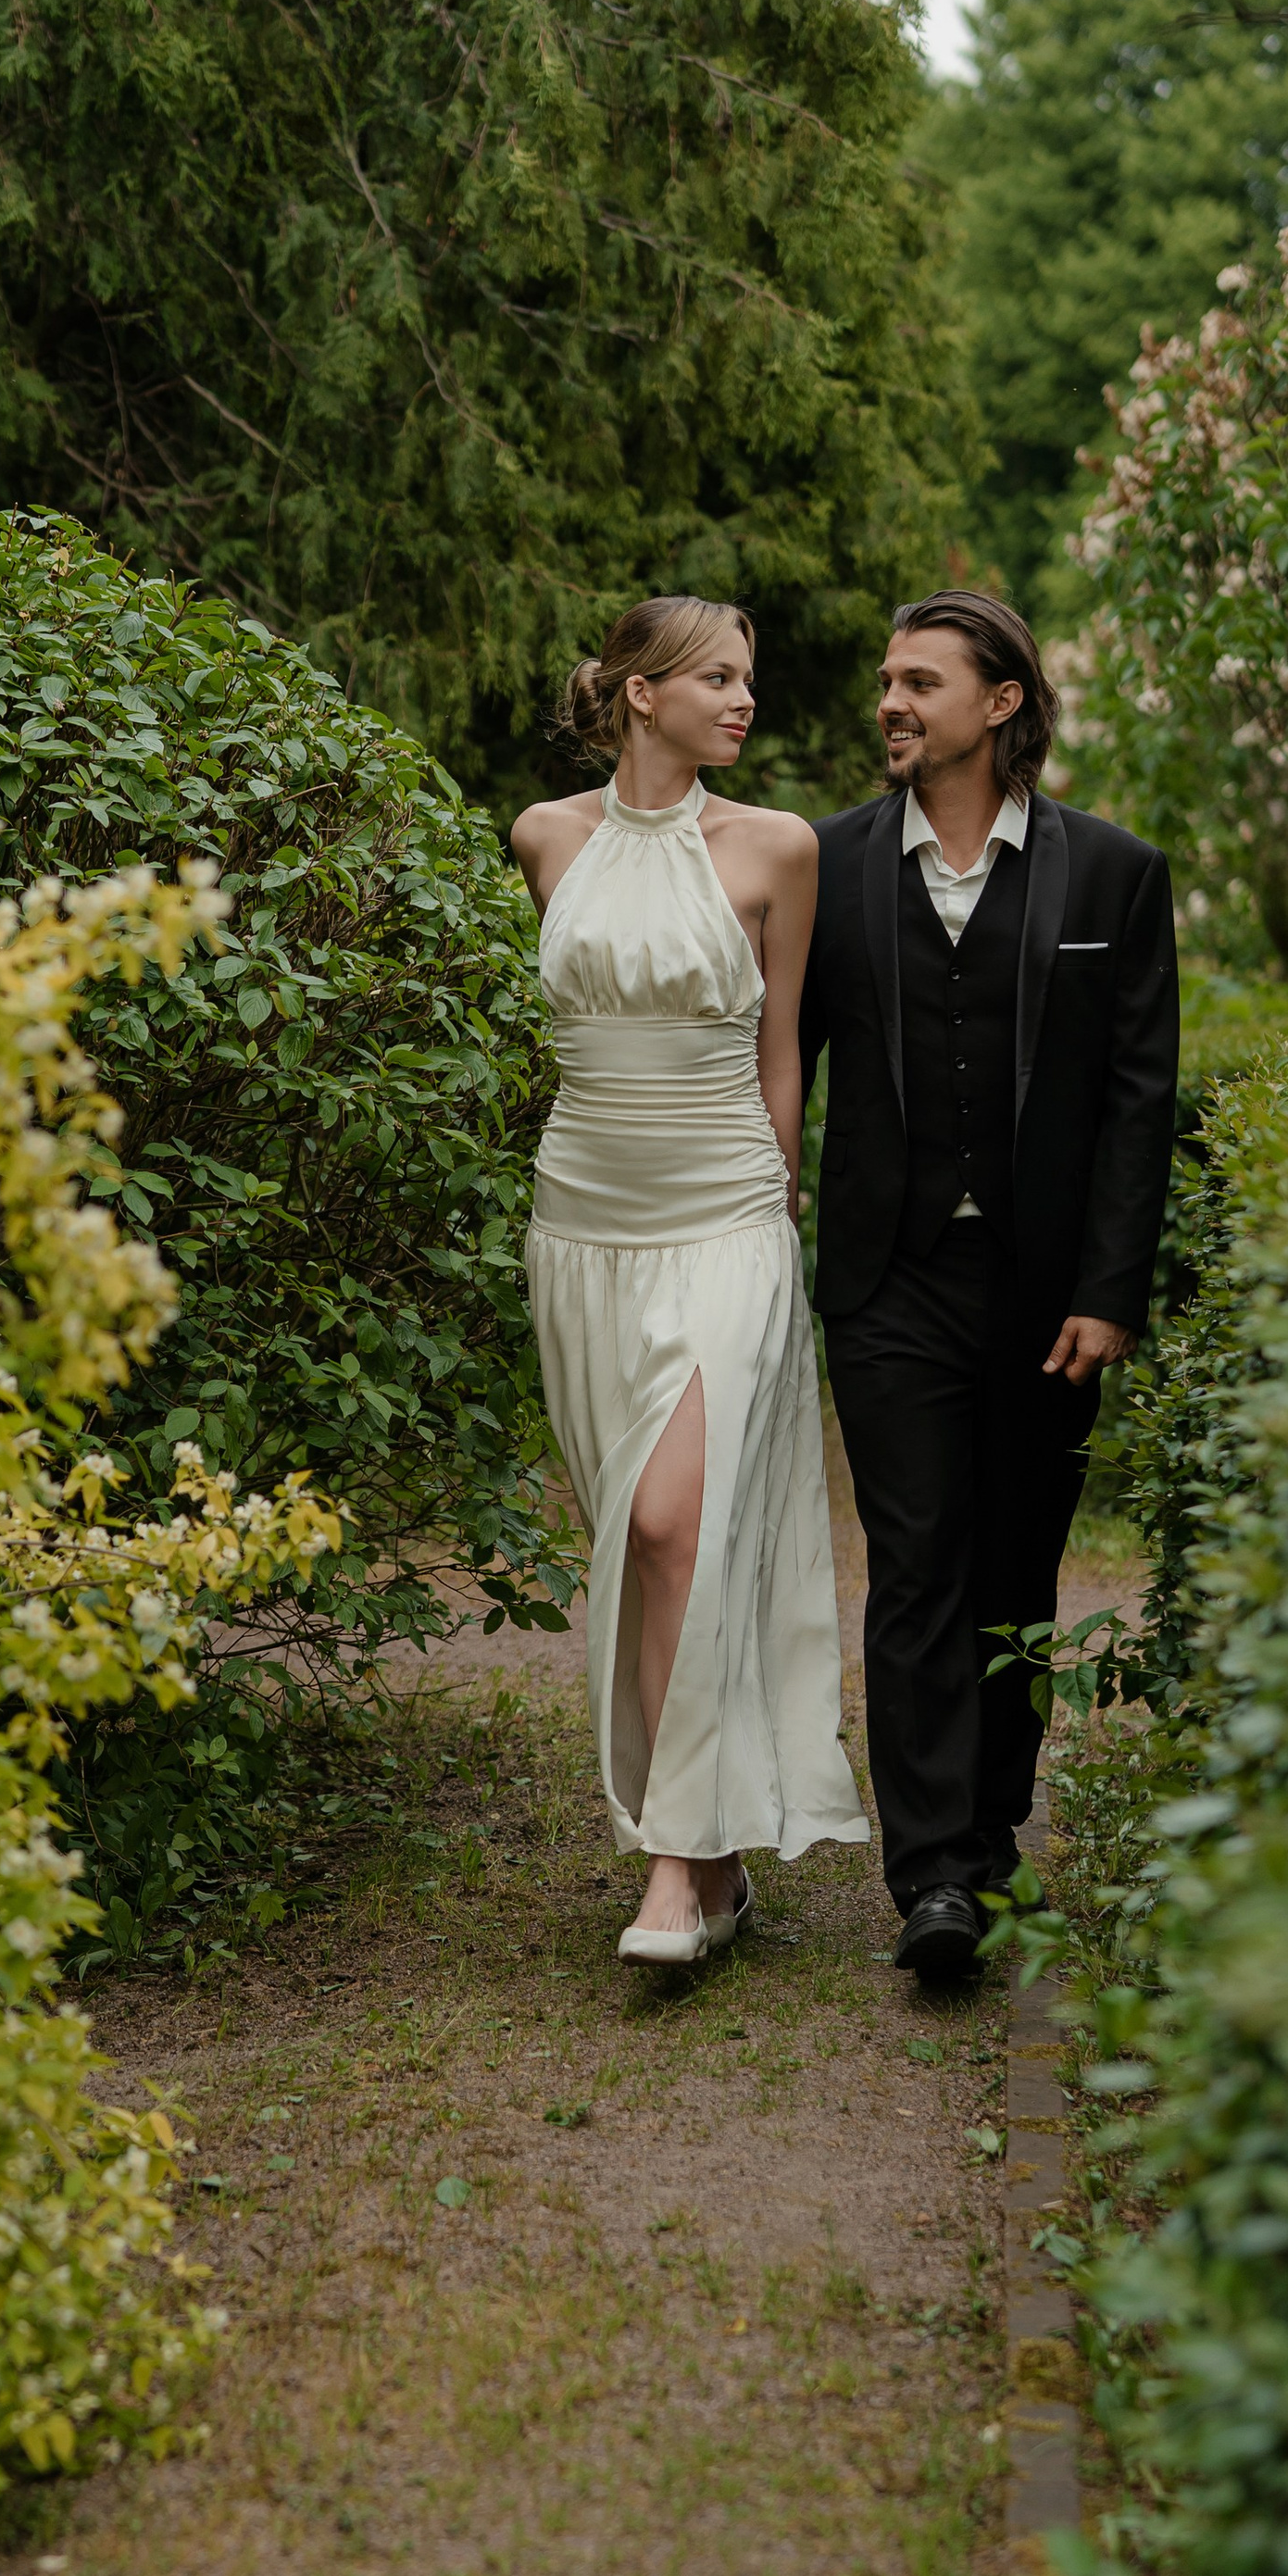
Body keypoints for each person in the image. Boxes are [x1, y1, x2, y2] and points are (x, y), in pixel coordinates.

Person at [800, 591, 1178, 1988]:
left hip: (1044, 1291)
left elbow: (1141, 1099)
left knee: (1016, 1566)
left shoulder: (1114, 876)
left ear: (1001, 702)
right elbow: (777, 1062)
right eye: (886, 682)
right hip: (888, 1283)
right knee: (914, 1566)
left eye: (919, 682)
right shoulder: (825, 865)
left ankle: (995, 1831)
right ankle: (933, 1875)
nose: (891, 703)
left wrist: (1109, 1285)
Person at [512, 596, 867, 1969]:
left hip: (727, 1217)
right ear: (640, 693)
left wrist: (781, 1205)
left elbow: (784, 1052)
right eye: (718, 678)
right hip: (583, 1225)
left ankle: (672, 1861)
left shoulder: (775, 847)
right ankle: (712, 1862)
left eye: (749, 682)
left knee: (675, 1525)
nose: (744, 701)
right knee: (645, 1545)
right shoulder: (548, 838)